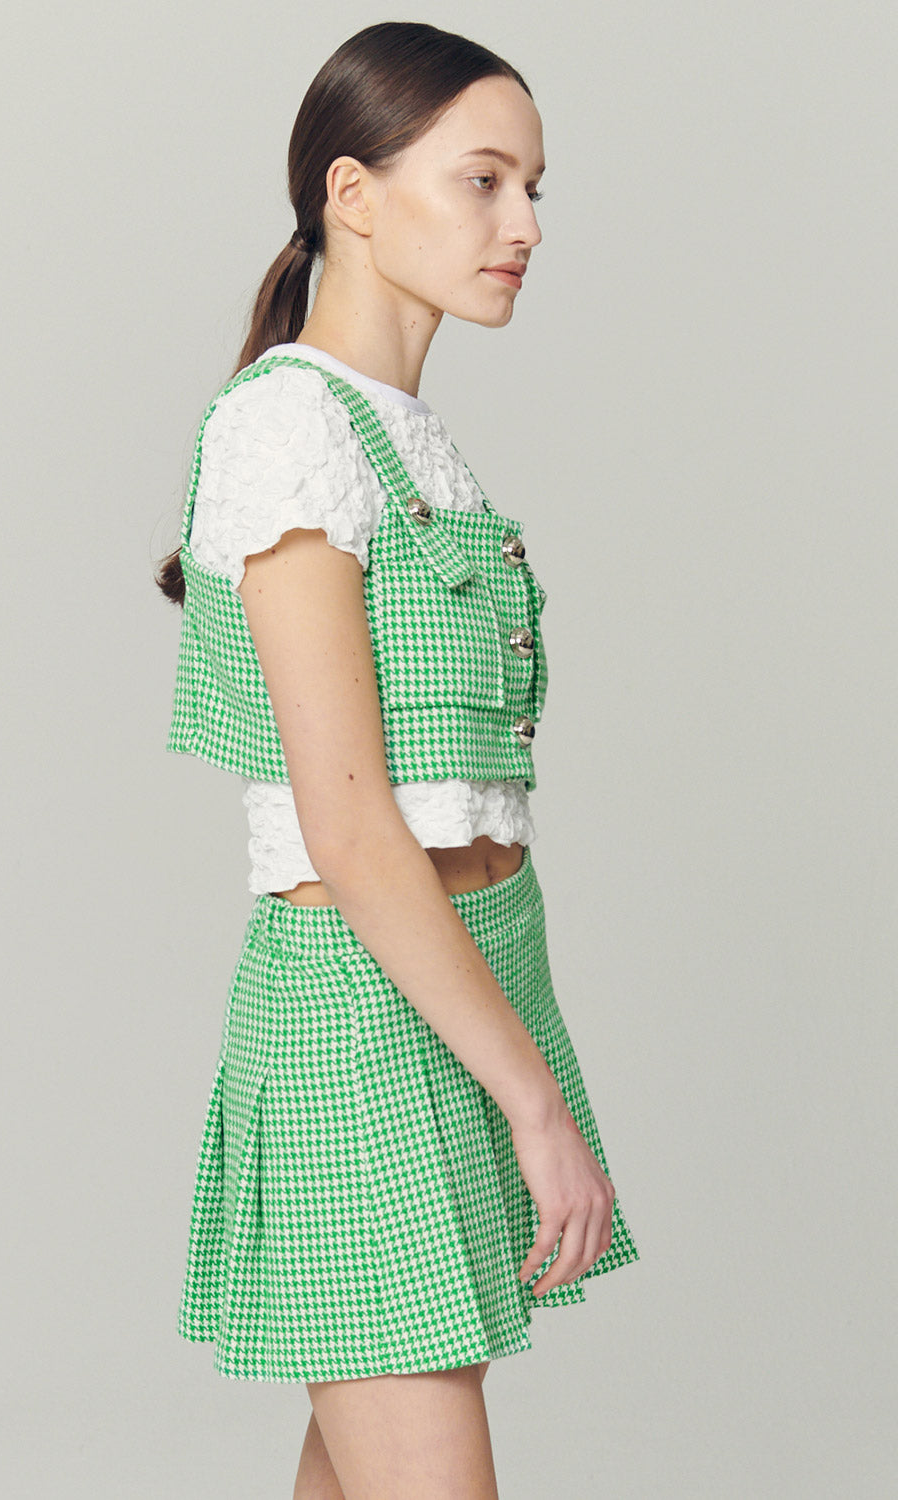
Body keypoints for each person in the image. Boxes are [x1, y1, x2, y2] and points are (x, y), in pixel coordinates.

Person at [155, 21, 640, 1500]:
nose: (526, 224)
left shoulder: (407, 437)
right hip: (364, 1021)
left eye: (536, 188)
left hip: (473, 978)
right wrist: (537, 1107)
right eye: (485, 181)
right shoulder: (286, 429)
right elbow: (352, 823)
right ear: (352, 194)